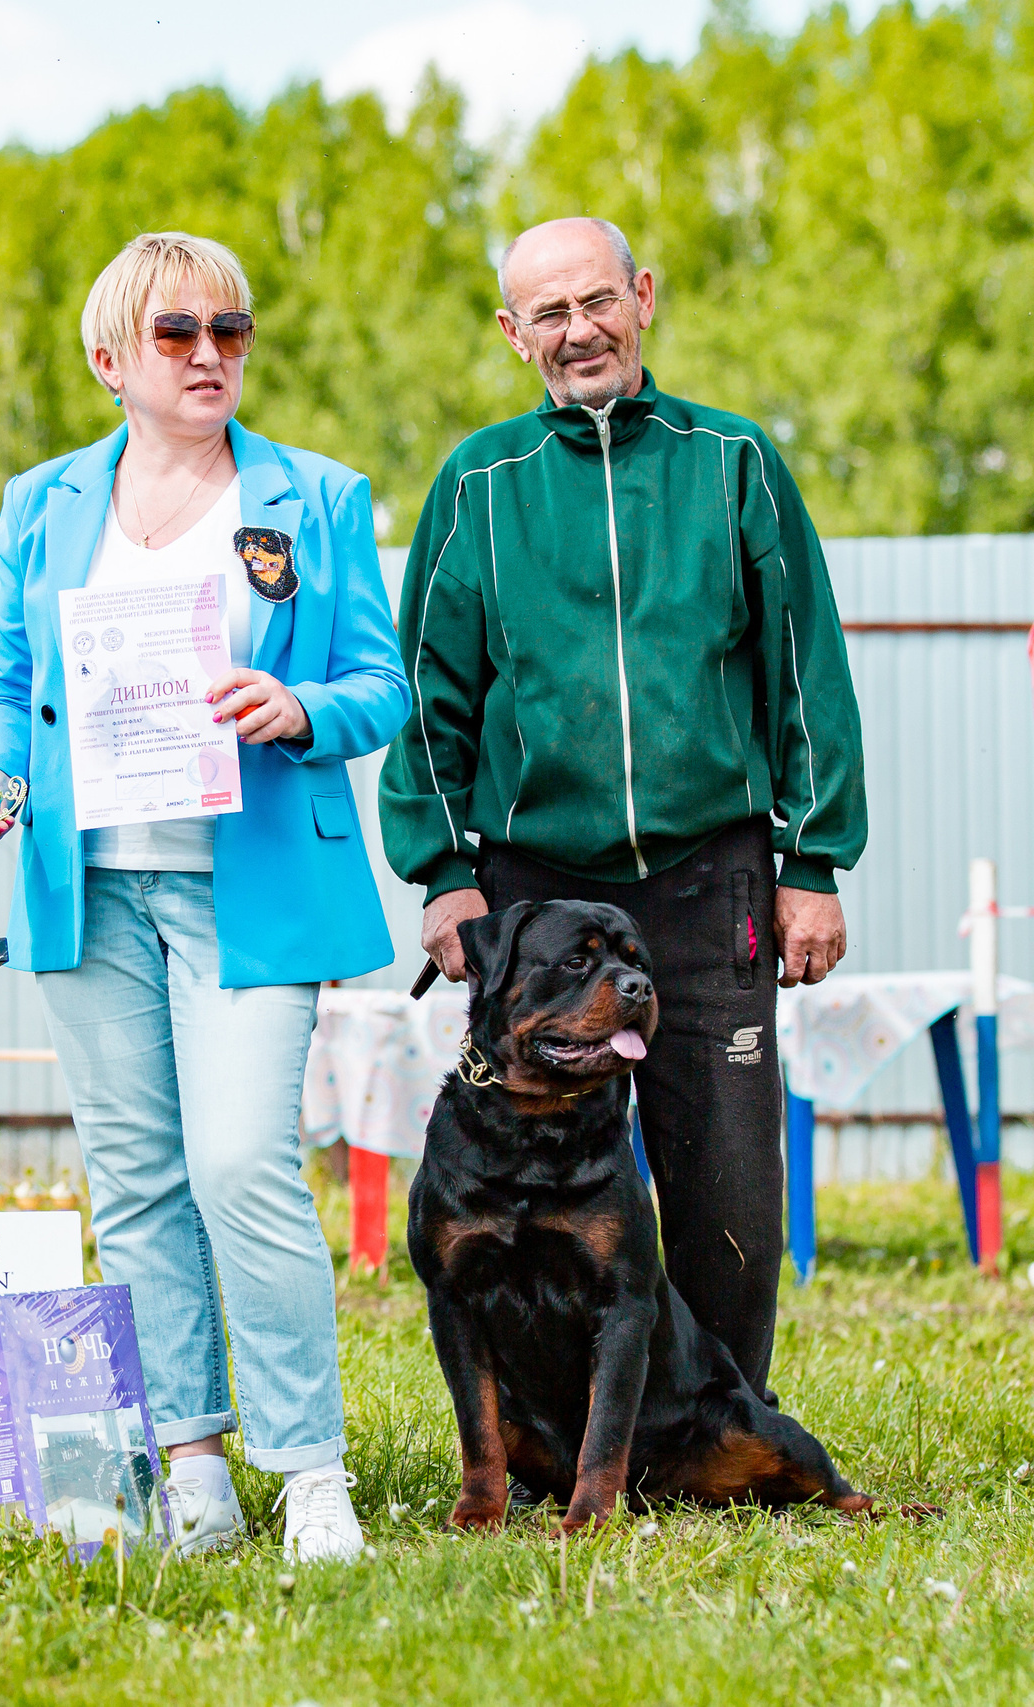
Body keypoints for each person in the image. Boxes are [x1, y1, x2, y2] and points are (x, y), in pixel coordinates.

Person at [0, 232, 409, 1563]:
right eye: (177, 332)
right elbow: (7, 678)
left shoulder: (316, 495)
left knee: (243, 1162)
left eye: (230, 330)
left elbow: (381, 685)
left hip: (253, 888)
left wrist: (301, 706)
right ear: (110, 358)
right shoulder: (42, 503)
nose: (210, 354)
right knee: (137, 1178)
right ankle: (192, 1461)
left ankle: (308, 1467)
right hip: (87, 886)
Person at [380, 215, 864, 1411]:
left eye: (596, 300)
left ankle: (716, 1422)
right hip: (536, 896)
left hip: (711, 876)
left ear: (641, 295)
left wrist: (812, 863)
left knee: (728, 1180)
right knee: (523, 1182)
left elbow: (803, 667)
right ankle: (551, 1430)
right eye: (548, 312)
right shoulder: (476, 484)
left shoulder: (733, 461)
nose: (578, 330)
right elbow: (427, 695)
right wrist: (443, 873)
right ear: (512, 334)